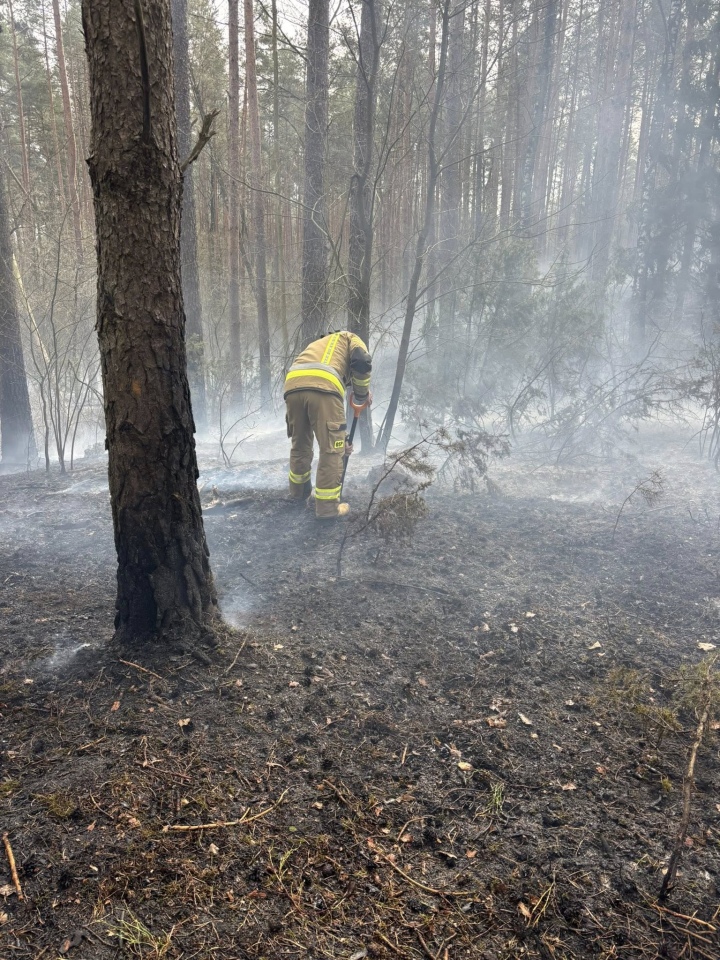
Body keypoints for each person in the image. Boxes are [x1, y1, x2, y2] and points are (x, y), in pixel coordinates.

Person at [283, 330, 372, 519]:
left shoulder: (320, 344)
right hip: (323, 386)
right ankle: (327, 509)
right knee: (332, 450)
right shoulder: (350, 338)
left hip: (292, 386)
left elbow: (330, 423)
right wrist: (362, 394)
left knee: (300, 444)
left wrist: (343, 438)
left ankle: (298, 494)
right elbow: (362, 361)